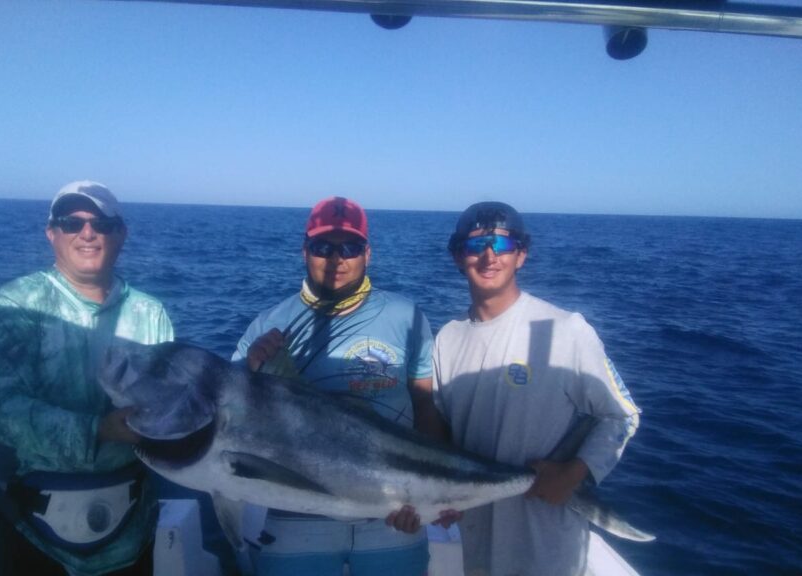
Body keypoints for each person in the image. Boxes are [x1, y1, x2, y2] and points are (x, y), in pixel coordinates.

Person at [0, 181, 174, 576]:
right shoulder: (14, 304)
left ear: (121, 233)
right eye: (71, 222)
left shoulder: (151, 313)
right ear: (51, 233)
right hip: (32, 534)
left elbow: (175, 408)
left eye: (101, 223)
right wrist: (98, 430)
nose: (87, 233)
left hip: (132, 533)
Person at [231, 196, 443, 576]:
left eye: (350, 247)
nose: (336, 258)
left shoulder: (407, 317)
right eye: (322, 247)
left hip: (391, 516)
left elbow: (424, 407)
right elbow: (232, 419)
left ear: (368, 253)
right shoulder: (268, 327)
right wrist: (251, 370)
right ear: (304, 250)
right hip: (297, 515)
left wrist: (430, 498)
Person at [432, 201, 641, 576]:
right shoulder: (446, 338)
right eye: (477, 246)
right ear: (458, 257)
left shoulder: (566, 329)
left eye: (504, 245)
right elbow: (441, 434)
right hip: (473, 542)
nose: (490, 256)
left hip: (548, 546)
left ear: (522, 255)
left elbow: (622, 414)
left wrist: (573, 474)